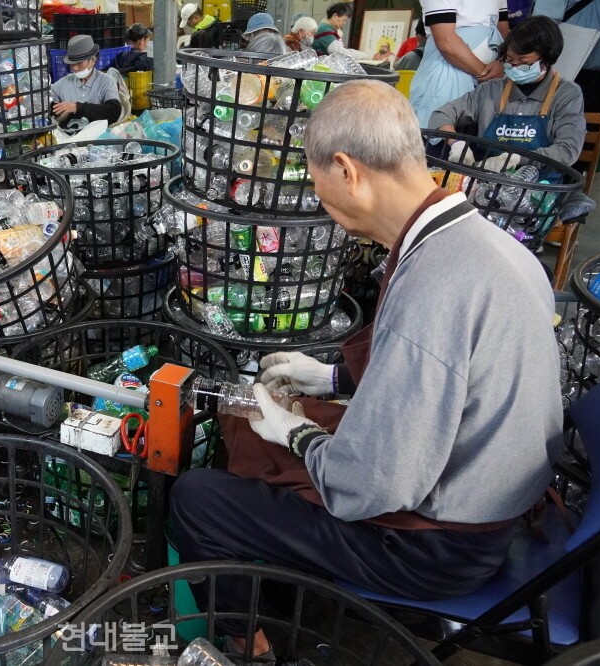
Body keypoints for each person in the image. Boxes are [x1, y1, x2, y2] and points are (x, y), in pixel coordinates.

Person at [168, 80, 561, 660]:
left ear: (347, 170)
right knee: (249, 431)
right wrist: (329, 379)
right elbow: (448, 367)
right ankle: (273, 574)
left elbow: (371, 485)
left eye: (319, 188)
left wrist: (298, 433)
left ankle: (248, 645)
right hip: (495, 500)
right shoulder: (487, 245)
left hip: (440, 550)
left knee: (199, 497)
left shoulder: (435, 285)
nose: (323, 204)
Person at [431, 15, 586, 169]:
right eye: (510, 61)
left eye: (524, 63)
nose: (516, 67)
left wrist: (517, 159)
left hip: (538, 186)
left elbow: (567, 150)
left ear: (547, 59)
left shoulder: (567, 94)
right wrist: (456, 143)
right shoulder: (491, 89)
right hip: (485, 180)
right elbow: (441, 115)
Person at [409, 0, 510, 128]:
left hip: (490, 79)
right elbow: (446, 41)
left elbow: (503, 29)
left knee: (480, 137)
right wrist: (485, 73)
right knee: (443, 129)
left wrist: (502, 62)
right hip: (448, 72)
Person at [50, 35, 122, 130]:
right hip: (68, 136)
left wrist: (78, 107)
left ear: (92, 61)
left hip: (97, 138)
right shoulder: (64, 83)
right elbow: (47, 102)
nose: (74, 68)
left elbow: (113, 111)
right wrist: (57, 111)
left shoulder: (107, 82)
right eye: (72, 64)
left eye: (79, 63)